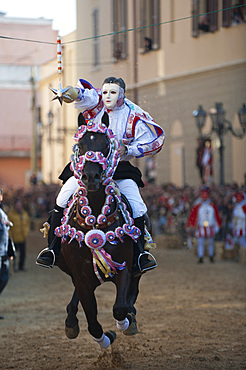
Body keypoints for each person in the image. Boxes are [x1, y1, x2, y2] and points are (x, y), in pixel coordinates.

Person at [37, 76, 165, 277]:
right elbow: (82, 95)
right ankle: (52, 249)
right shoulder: (96, 101)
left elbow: (156, 140)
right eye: (105, 92)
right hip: (87, 168)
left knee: (138, 206)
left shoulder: (134, 115)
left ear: (122, 94)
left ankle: (140, 255)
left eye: (113, 93)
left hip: (118, 169)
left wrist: (129, 148)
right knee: (62, 198)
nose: (107, 96)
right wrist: (71, 92)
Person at [185, 187, 222, 263]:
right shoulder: (198, 206)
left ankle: (211, 256)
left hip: (210, 226)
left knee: (210, 242)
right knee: (200, 242)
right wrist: (192, 225)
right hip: (200, 227)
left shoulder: (212, 206)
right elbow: (193, 216)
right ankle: (200, 257)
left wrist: (217, 227)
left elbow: (216, 217)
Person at [0, 189, 13, 319]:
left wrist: (10, 250)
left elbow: (6, 233)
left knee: (4, 279)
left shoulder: (3, 213)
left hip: (3, 253)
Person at [8, 199, 30, 272]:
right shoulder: (10, 214)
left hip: (22, 237)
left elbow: (27, 224)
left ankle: (21, 266)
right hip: (14, 238)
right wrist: (10, 236)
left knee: (23, 253)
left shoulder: (24, 214)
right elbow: (9, 227)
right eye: (17, 204)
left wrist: (26, 233)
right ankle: (14, 267)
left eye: (20, 205)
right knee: (14, 254)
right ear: (15, 205)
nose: (18, 206)